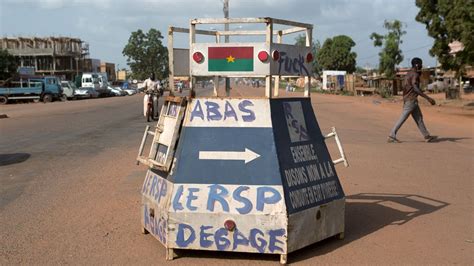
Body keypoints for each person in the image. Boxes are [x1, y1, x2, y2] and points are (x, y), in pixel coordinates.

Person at [388, 57, 437, 143]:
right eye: (421, 64)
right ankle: (392, 135)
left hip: (410, 99)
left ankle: (426, 136)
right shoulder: (415, 74)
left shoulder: (408, 73)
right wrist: (428, 98)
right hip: (411, 100)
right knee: (403, 117)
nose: (422, 66)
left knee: (419, 118)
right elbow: (415, 88)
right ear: (417, 65)